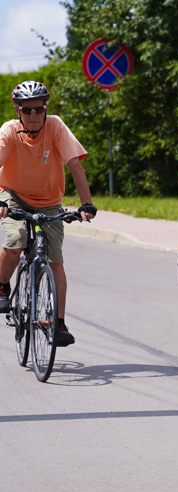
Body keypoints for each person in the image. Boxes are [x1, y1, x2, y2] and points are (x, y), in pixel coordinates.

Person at [0, 80, 97, 346]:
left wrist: (86, 203)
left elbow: (75, 165)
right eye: (27, 109)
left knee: (55, 262)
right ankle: (2, 285)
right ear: (17, 110)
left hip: (49, 201)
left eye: (38, 109)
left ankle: (58, 323)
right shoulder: (8, 131)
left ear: (46, 108)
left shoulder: (55, 126)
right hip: (13, 196)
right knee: (16, 240)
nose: (33, 115)